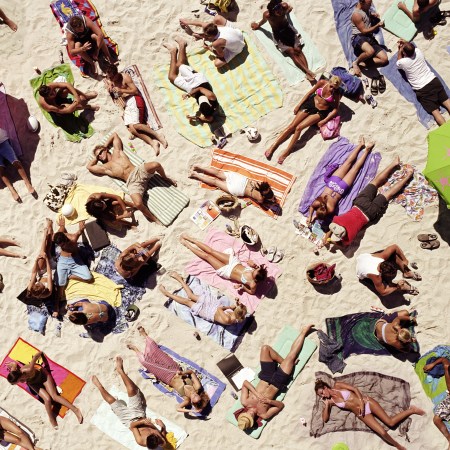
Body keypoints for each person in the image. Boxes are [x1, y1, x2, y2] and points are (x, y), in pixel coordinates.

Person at [322, 157, 413, 247]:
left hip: (369, 214)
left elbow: (343, 244)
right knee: (375, 182)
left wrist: (331, 242)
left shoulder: (348, 237)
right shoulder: (337, 219)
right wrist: (328, 235)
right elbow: (333, 225)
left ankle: (408, 175)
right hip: (359, 204)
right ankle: (394, 163)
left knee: (388, 194)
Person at [236, 324, 314, 430]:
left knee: (265, 348)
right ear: (252, 420)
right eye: (250, 417)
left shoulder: (245, 402)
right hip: (278, 381)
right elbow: (281, 406)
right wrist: (269, 402)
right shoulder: (264, 415)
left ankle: (284, 362)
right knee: (291, 356)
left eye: (246, 414)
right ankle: (304, 332)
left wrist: (256, 393)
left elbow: (245, 383)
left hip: (266, 375)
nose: (250, 413)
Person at [87, 133, 177, 223]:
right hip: (132, 182)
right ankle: (154, 219)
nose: (100, 156)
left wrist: (104, 146)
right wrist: (96, 157)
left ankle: (165, 178)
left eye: (100, 153)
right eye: (98, 156)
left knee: (155, 164)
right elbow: (89, 167)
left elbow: (114, 135)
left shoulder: (117, 152)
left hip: (138, 171)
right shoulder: (105, 167)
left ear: (106, 150)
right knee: (138, 204)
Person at [315, 379, 424, 450]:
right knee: (382, 432)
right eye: (320, 396)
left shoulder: (338, 385)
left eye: (322, 393)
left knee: (390, 422)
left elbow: (354, 389)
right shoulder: (330, 402)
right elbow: (325, 419)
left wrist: (362, 403)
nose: (322, 396)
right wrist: (327, 406)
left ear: (325, 388)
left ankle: (411, 410)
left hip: (366, 402)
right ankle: (398, 445)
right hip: (362, 414)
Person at [127, 326, 210, 414]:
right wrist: (182, 373)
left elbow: (178, 408)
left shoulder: (187, 400)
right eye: (196, 395)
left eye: (194, 397)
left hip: (166, 377)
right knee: (155, 350)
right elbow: (191, 372)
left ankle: (135, 350)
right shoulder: (197, 387)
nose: (194, 394)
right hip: (174, 368)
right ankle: (145, 335)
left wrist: (193, 410)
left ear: (192, 402)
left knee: (145, 362)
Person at [92, 356, 167, 449]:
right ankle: (120, 371)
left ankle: (100, 387)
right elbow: (163, 436)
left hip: (129, 420)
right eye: (156, 435)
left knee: (112, 401)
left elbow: (132, 427)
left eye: (155, 435)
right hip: (139, 414)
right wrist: (162, 427)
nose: (155, 433)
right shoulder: (161, 441)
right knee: (132, 390)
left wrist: (143, 421)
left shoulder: (140, 441)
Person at [265, 76, 342, 165]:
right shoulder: (322, 83)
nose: (332, 89)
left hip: (320, 112)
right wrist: (299, 105)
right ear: (329, 82)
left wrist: (324, 120)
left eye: (335, 88)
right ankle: (273, 146)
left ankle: (287, 152)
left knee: (299, 128)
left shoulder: (336, 94)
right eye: (331, 86)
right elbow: (309, 93)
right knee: (291, 126)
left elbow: (336, 109)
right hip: (310, 104)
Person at [6, 351, 83, 429]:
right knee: (47, 399)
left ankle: (75, 409)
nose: (15, 384)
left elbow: (35, 358)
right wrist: (11, 365)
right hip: (33, 383)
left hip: (42, 376)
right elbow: (14, 365)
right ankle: (51, 418)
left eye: (16, 382)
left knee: (54, 396)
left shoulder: (28, 369)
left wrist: (40, 353)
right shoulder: (14, 372)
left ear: (19, 377)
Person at [307, 137, 374, 225]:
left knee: (355, 169)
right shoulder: (318, 202)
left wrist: (314, 217)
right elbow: (312, 206)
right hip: (332, 183)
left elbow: (323, 212)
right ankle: (360, 145)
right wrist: (310, 216)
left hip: (341, 189)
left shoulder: (330, 209)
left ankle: (367, 150)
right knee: (347, 163)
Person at [105, 65, 167, 155]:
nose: (110, 79)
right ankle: (153, 143)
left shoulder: (125, 77)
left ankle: (159, 136)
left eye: (111, 77)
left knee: (136, 126)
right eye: (108, 77)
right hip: (127, 104)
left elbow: (135, 91)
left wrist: (122, 90)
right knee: (132, 130)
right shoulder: (111, 79)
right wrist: (110, 84)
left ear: (116, 74)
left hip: (134, 99)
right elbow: (108, 80)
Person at [179, 233, 267, 295]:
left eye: (254, 272)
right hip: (233, 262)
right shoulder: (257, 270)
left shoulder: (253, 284)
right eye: (255, 270)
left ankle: (188, 245)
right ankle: (190, 239)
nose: (254, 270)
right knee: (211, 251)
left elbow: (252, 292)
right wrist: (253, 264)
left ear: (255, 279)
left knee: (207, 256)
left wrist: (242, 287)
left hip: (226, 271)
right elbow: (257, 267)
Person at [251, 1, 315, 81]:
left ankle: (308, 72)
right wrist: (258, 25)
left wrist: (288, 11)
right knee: (292, 52)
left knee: (298, 50)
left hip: (289, 30)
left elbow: (289, 9)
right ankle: (307, 71)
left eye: (280, 9)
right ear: (272, 11)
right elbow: (263, 21)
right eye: (277, 11)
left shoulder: (284, 6)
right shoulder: (267, 15)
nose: (280, 12)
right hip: (278, 35)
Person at [159, 271, 248, 325]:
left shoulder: (228, 319)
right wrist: (235, 304)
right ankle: (180, 279)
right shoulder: (238, 317)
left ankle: (167, 294)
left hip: (208, 312)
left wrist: (229, 307)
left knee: (187, 301)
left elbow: (219, 309)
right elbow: (237, 311)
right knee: (191, 296)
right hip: (213, 305)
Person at [164, 38, 218, 124]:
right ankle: (182, 44)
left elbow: (206, 119)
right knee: (180, 65)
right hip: (199, 83)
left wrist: (194, 118)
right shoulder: (212, 97)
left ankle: (173, 51)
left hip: (191, 90)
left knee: (171, 77)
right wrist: (189, 94)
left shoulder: (206, 113)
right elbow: (200, 89)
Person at [397, 40, 450, 126]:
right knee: (448, 103)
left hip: (423, 90)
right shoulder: (418, 52)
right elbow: (411, 47)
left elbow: (398, 61)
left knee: (436, 113)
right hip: (433, 81)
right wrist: (405, 43)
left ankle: (447, 132)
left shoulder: (404, 62)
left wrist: (399, 50)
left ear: (405, 54)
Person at [189, 165, 277, 206]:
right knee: (216, 182)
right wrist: (271, 200)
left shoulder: (261, 184)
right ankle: (195, 175)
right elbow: (263, 201)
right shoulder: (260, 198)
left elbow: (267, 192)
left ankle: (198, 167)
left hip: (241, 180)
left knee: (218, 174)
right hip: (238, 189)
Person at [53, 217, 92, 309]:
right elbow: (61, 229)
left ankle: (69, 276)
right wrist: (62, 225)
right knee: (60, 285)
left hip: (75, 260)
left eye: (62, 245)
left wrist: (81, 224)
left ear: (66, 239)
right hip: (63, 260)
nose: (60, 246)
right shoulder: (58, 237)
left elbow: (81, 231)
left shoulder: (73, 238)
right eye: (59, 245)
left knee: (89, 278)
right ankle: (56, 306)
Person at [179, 15, 245, 68]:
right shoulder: (215, 26)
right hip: (238, 33)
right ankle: (195, 35)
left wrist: (209, 48)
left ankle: (195, 35)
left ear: (211, 37)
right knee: (217, 17)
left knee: (217, 64)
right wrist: (187, 22)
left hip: (238, 47)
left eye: (206, 35)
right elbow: (200, 23)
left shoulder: (216, 43)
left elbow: (221, 55)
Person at [356, 244, 421, 296]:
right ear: (381, 272)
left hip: (364, 257)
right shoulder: (375, 275)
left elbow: (395, 246)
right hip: (362, 274)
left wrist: (404, 260)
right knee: (385, 286)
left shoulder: (382, 256)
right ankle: (401, 286)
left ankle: (407, 272)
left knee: (393, 255)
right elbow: (383, 292)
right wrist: (397, 287)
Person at [351, 0, 388, 91]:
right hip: (359, 37)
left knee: (384, 59)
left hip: (369, 38)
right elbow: (363, 31)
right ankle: (356, 62)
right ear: (362, 3)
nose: (371, 5)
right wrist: (377, 26)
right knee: (370, 51)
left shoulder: (364, 8)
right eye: (369, 4)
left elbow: (366, 15)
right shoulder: (356, 15)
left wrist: (372, 15)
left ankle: (363, 63)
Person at [0, 128, 36, 202]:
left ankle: (27, 183)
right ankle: (11, 189)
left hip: (2, 141)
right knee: (0, 170)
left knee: (16, 162)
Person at [423, 357, 450, 449]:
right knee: (436, 420)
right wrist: (433, 364)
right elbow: (443, 359)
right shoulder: (447, 366)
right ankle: (449, 439)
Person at [26, 219, 54, 300]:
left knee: (41, 255)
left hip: (41, 273)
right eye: (39, 284)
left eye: (36, 284)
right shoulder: (48, 291)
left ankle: (45, 235)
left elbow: (34, 272)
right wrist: (47, 260)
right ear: (43, 289)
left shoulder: (30, 288)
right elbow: (49, 274)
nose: (38, 283)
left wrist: (36, 260)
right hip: (51, 271)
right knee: (47, 251)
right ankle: (49, 229)